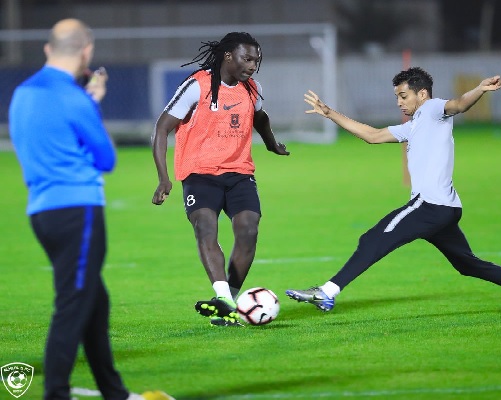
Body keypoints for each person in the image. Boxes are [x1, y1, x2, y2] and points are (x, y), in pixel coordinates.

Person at [286, 67, 501, 314]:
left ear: (422, 94)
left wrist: (478, 89)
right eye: (397, 96)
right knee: (468, 265)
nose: (399, 102)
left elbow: (458, 105)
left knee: (372, 239)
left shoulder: (432, 109)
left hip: (429, 206)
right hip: (446, 209)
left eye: (403, 96)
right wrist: (329, 112)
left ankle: (327, 292)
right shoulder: (414, 125)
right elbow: (373, 135)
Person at [9, 19, 173, 400]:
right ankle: (56, 393)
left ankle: (114, 392)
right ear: (87, 52)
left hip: (42, 213)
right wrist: (91, 104)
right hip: (77, 210)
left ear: (48, 49)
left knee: (94, 301)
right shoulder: (74, 98)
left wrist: (86, 103)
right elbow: (105, 158)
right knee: (73, 304)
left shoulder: (23, 92)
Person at [151, 32, 290, 327]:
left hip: (239, 173)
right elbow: (162, 128)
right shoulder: (197, 85)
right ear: (228, 56)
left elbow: (260, 117)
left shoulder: (252, 88)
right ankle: (223, 296)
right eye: (247, 58)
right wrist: (164, 178)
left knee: (248, 230)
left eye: (256, 60)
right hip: (199, 174)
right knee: (205, 227)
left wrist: (271, 143)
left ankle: (229, 300)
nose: (253, 65)